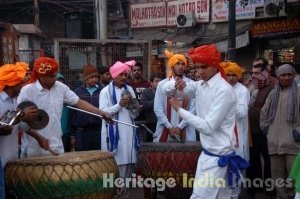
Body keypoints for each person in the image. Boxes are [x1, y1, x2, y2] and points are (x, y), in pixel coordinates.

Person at [164, 44, 249, 199]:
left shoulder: (223, 90)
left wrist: (179, 109)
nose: (200, 71)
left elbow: (208, 127)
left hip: (217, 159)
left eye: (204, 67)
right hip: (211, 154)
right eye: (196, 68)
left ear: (215, 65)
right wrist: (176, 85)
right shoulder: (201, 84)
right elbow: (177, 89)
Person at [17, 57, 111, 157]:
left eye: (55, 75)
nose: (55, 78)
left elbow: (78, 102)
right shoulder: (27, 91)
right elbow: (20, 121)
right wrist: (38, 138)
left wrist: (99, 112)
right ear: (41, 76)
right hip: (34, 148)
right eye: (52, 76)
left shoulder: (60, 87)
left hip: (56, 144)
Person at [0, 62, 48, 198]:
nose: (22, 86)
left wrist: (39, 137)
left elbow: (18, 126)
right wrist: (22, 115)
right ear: (11, 84)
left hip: (11, 157)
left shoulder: (14, 101)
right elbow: (4, 126)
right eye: (20, 83)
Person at [99, 60, 139, 198]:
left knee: (128, 169)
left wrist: (135, 107)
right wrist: (119, 105)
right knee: (115, 172)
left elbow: (134, 113)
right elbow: (103, 113)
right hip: (114, 138)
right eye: (121, 74)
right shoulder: (105, 92)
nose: (123, 77)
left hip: (129, 133)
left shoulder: (130, 90)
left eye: (125, 74)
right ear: (113, 75)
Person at [260, 64, 300, 198]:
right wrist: (266, 129)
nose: (286, 78)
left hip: (293, 144)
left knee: (293, 177)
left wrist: (298, 131)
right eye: (283, 75)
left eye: (289, 75)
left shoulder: (299, 93)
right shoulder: (273, 93)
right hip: (274, 143)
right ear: (278, 77)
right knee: (277, 177)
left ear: (293, 76)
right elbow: (264, 113)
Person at [220, 61, 250, 199]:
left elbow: (242, 113)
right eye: (228, 74)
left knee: (235, 165)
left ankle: (235, 195)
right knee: (223, 167)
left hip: (237, 134)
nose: (231, 77)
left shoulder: (242, 90)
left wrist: (229, 106)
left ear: (238, 76)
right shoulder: (222, 88)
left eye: (233, 75)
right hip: (223, 134)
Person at [153, 50, 196, 142]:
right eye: (177, 64)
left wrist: (180, 127)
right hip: (165, 128)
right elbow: (158, 108)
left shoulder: (191, 84)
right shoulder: (162, 84)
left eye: (183, 64)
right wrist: (169, 127)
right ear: (172, 66)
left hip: (186, 130)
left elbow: (193, 109)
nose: (180, 67)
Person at [247, 57, 275, 196]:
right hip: (251, 131)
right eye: (253, 68)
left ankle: (269, 188)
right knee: (253, 160)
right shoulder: (251, 85)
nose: (254, 74)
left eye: (258, 68)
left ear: (265, 70)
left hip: (266, 131)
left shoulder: (273, 84)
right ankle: (254, 186)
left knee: (269, 161)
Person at [69, 64, 103, 151]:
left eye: (96, 77)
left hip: (98, 130)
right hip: (82, 132)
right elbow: (72, 114)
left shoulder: (102, 91)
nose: (95, 79)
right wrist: (72, 135)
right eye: (92, 77)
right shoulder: (77, 93)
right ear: (85, 78)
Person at [140, 73, 162, 142]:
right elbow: (144, 105)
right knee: (151, 143)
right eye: (156, 81)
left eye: (160, 81)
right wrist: (157, 99)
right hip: (151, 123)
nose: (158, 83)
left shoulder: (164, 92)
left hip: (162, 123)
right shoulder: (146, 92)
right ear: (151, 83)